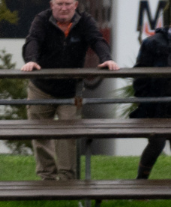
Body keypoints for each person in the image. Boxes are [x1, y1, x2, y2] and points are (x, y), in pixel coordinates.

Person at [20, 0, 119, 181]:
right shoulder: (41, 19)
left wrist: (106, 58)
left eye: (68, 3)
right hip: (41, 88)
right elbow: (33, 40)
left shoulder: (85, 21)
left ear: (75, 5)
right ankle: (47, 178)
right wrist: (31, 59)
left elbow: (97, 40)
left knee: (68, 136)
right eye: (59, 4)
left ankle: (67, 180)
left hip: (72, 91)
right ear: (51, 5)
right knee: (39, 134)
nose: (64, 8)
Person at [133, 20, 171, 180]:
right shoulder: (152, 42)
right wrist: (145, 103)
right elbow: (140, 76)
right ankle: (141, 182)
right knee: (157, 143)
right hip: (156, 106)